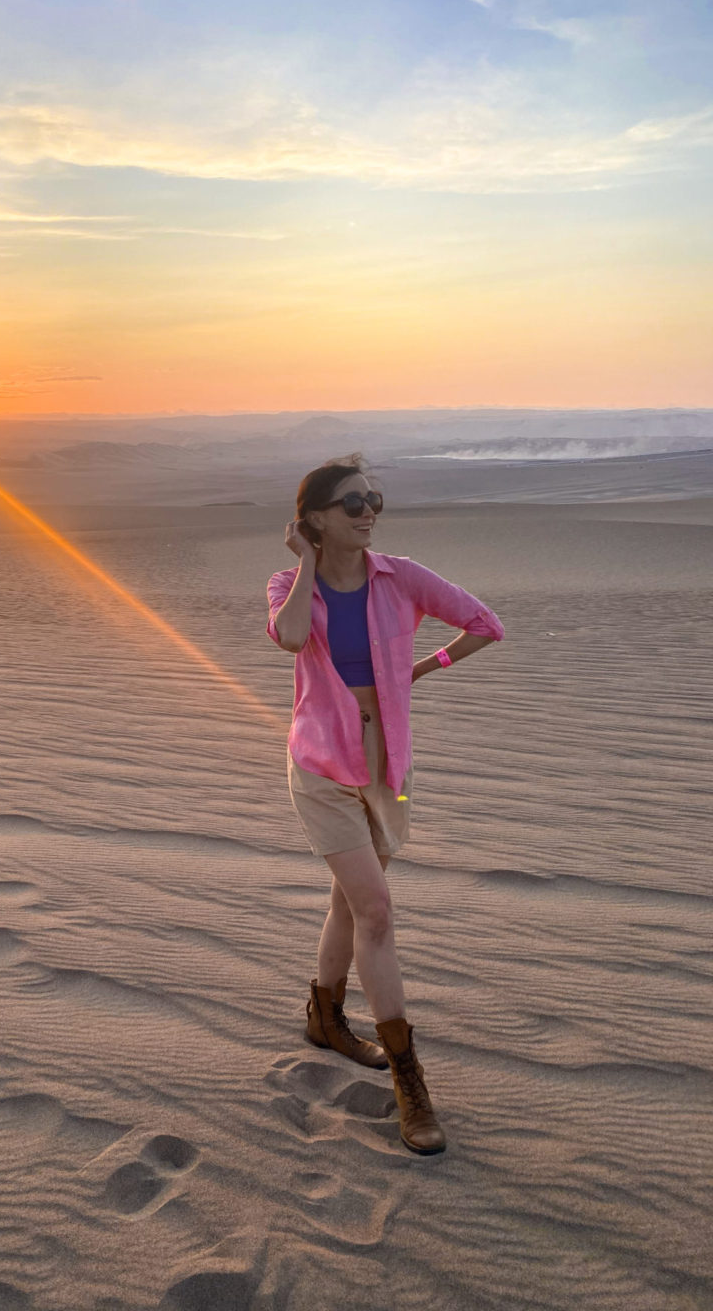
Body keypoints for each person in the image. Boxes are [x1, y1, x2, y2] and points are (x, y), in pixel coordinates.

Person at [265, 453, 505, 1155]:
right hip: (319, 766)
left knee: (349, 901)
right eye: (350, 503)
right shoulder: (289, 583)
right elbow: (286, 637)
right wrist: (306, 561)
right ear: (312, 520)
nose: (367, 510)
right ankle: (409, 1079)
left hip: (388, 765)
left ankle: (326, 1016)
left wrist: (420, 668)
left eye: (374, 499)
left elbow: (486, 625)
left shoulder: (403, 577)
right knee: (375, 909)